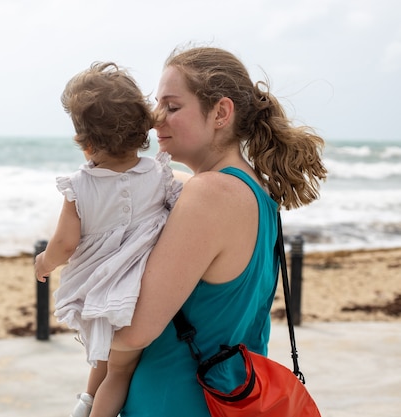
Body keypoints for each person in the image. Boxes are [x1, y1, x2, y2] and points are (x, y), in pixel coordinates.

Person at [109, 46, 327, 416]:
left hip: (174, 401)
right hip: (225, 400)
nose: (155, 119)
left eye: (172, 107)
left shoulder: (209, 194)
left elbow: (133, 332)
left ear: (221, 113)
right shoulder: (257, 193)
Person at [34, 62, 182, 417]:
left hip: (100, 288)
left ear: (86, 144)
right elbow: (180, 211)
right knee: (119, 367)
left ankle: (87, 405)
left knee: (108, 360)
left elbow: (65, 244)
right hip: (140, 285)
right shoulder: (158, 172)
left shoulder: (79, 187)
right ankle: (88, 403)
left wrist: (43, 263)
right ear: (142, 132)